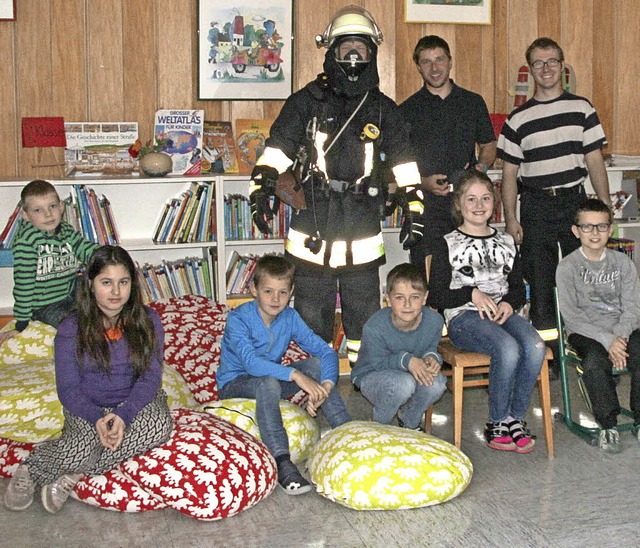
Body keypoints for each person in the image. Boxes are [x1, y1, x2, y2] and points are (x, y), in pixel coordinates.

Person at [247, 5, 424, 366]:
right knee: (312, 324)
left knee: (364, 323)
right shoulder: (305, 102)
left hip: (361, 227)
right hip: (313, 226)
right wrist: (261, 188)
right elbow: (277, 149)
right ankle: (314, 388)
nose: (355, 56)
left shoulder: (383, 110)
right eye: (347, 49)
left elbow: (404, 162)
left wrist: (414, 206)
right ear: (333, 53)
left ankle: (366, 382)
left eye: (362, 48)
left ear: (373, 53)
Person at [3, 245, 173, 513]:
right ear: (91, 284)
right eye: (107, 282)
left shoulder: (148, 320)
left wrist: (124, 416)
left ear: (133, 284)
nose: (116, 292)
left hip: (134, 404)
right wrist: (97, 419)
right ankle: (31, 469)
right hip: (86, 408)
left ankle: (74, 473)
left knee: (159, 426)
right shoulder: (71, 326)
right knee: (83, 444)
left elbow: (151, 378)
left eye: (123, 282)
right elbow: (68, 389)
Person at [497, 37, 611, 377]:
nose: (545, 68)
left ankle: (591, 356)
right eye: (538, 63)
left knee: (583, 281)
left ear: (562, 67)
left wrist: (603, 209)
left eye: (552, 62)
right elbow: (509, 174)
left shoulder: (582, 109)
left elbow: (594, 161)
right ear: (530, 70)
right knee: (543, 286)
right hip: (535, 206)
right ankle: (550, 364)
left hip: (576, 203)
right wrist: (511, 219)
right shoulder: (518, 118)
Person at [429, 171, 546, 453]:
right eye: (471, 199)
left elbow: (517, 287)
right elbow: (437, 294)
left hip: (502, 314)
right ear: (459, 204)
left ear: (494, 203)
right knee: (507, 348)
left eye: (485, 198)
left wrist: (508, 302)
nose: (478, 205)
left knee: (535, 344)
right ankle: (496, 421)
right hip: (464, 317)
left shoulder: (507, 241)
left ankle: (514, 418)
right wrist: (471, 293)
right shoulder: (447, 242)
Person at [217, 255, 351, 495]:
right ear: (253, 289)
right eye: (268, 291)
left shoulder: (290, 317)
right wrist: (298, 377)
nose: (275, 299)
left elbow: (325, 352)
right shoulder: (238, 319)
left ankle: (346, 432)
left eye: (282, 292)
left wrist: (325, 387)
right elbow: (251, 364)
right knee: (268, 382)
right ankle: (281, 462)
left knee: (317, 365)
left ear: (291, 292)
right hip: (235, 384)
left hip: (274, 382)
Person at [399, 35, 497, 279]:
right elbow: (398, 164)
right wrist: (423, 182)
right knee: (430, 280)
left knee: (471, 277)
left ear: (450, 62)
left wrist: (478, 172)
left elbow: (489, 145)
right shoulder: (406, 110)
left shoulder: (473, 102)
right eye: (427, 62)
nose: (434, 68)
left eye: (439, 60)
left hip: (468, 207)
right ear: (418, 67)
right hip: (425, 209)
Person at [556, 199, 640, 453]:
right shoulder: (567, 267)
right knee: (594, 360)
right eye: (588, 227)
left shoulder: (623, 263)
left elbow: (633, 308)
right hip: (586, 332)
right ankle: (608, 424)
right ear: (576, 231)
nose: (595, 233)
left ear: (611, 229)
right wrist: (607, 340)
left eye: (601, 227)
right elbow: (572, 317)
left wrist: (620, 338)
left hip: (622, 330)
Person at [0, 179, 100, 346]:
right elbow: (24, 285)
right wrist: (21, 322)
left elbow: (83, 247)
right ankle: (88, 349)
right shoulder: (27, 242)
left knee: (96, 284)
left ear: (61, 207)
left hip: (70, 289)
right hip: (45, 304)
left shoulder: (66, 230)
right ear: (26, 216)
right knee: (73, 325)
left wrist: (106, 256)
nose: (48, 214)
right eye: (38, 210)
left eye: (52, 206)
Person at [351, 263, 447, 430]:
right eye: (399, 297)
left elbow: (431, 347)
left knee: (437, 383)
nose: (407, 305)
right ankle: (380, 427)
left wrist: (432, 358)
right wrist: (407, 361)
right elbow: (375, 363)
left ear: (425, 298)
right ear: (387, 299)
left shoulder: (435, 321)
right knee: (403, 384)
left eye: (415, 297)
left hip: (409, 372)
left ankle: (410, 421)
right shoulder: (374, 326)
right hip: (371, 375)